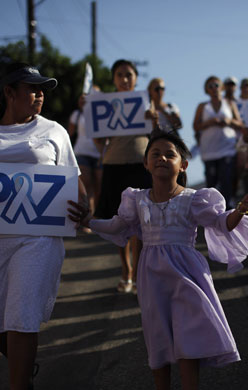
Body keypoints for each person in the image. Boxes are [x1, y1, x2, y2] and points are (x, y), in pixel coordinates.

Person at [68, 131, 248, 390]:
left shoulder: (194, 199)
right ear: (146, 163)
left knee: (187, 337)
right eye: (155, 154)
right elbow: (119, 226)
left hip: (188, 276)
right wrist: (88, 221)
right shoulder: (136, 199)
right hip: (151, 277)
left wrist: (240, 210)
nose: (161, 158)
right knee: (158, 336)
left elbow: (220, 223)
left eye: (170, 154)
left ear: (183, 165)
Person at [0, 62, 86, 389]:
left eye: (42, 90)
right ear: (9, 93)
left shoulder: (54, 131)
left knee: (21, 317)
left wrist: (84, 205)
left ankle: (19, 383)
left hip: (39, 237)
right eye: (32, 89)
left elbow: (74, 178)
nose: (39, 96)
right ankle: (25, 367)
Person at [94, 59, 153, 294]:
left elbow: (157, 134)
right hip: (114, 166)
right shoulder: (104, 106)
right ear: (113, 79)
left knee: (141, 221)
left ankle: (137, 272)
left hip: (141, 165)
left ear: (136, 78)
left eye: (129, 74)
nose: (125, 79)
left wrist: (154, 119)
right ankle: (125, 269)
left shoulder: (147, 104)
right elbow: (99, 141)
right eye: (120, 74)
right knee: (119, 222)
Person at [193, 76, 245, 208]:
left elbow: (240, 124)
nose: (214, 88)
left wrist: (229, 121)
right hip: (209, 151)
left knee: (226, 180)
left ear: (221, 87)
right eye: (210, 86)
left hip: (227, 149)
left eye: (216, 85)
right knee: (212, 183)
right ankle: (212, 211)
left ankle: (227, 210)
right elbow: (195, 126)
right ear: (206, 90)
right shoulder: (202, 106)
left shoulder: (229, 104)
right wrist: (209, 122)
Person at [68, 93, 102, 223]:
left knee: (98, 188)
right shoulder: (76, 115)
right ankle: (84, 218)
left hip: (99, 154)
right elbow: (69, 134)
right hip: (81, 153)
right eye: (82, 97)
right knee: (85, 185)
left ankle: (96, 219)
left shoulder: (101, 114)